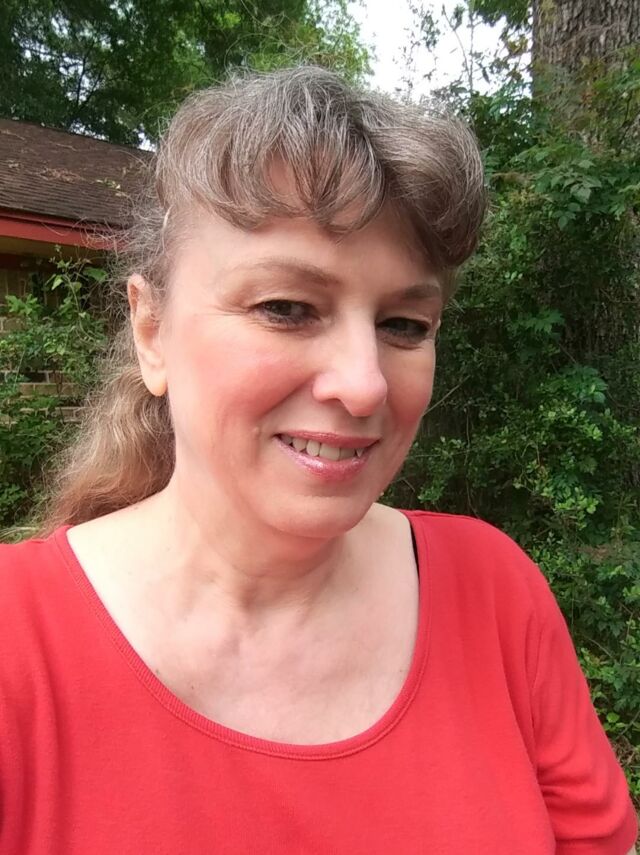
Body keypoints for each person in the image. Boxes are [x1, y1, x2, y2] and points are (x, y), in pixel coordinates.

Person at [0, 66, 636, 855]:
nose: (365, 384)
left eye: (404, 324)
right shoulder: (17, 644)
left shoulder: (497, 596)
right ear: (151, 331)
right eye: (287, 308)